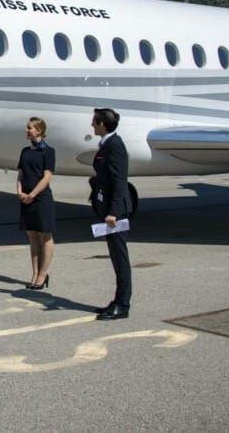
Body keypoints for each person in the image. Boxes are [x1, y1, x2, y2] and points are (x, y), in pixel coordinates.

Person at [90, 108, 132, 320]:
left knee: (120, 257)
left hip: (116, 213)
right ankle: (118, 300)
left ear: (102, 124)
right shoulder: (107, 143)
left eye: (94, 122)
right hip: (109, 209)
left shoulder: (114, 145)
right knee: (115, 257)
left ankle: (122, 304)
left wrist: (114, 211)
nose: (92, 125)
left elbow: (119, 180)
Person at [17, 117, 56, 290]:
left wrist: (32, 194)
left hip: (41, 198)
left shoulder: (48, 151)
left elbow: (47, 176)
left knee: (45, 236)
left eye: (30, 128)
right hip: (25, 198)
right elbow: (20, 174)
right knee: (32, 236)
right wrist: (19, 191)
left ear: (39, 130)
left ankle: (43, 274)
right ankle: (34, 273)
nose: (27, 130)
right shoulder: (25, 151)